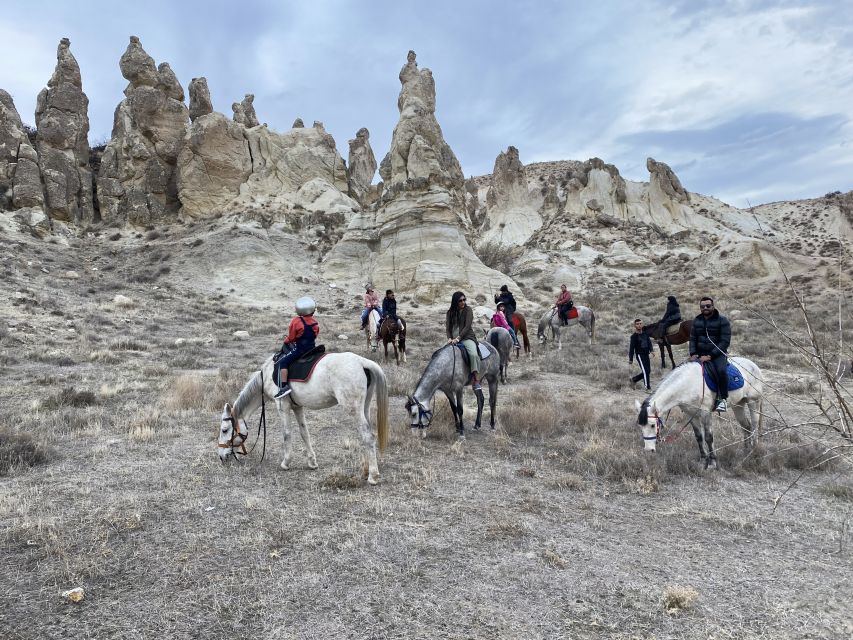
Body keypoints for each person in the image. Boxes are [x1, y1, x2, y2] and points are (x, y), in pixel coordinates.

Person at [689, 296, 731, 412]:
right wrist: (693, 353)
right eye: (702, 306)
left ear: (713, 306)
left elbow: (725, 342)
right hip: (700, 355)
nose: (705, 308)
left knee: (721, 371)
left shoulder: (723, 320)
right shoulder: (697, 321)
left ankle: (723, 399)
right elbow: (693, 339)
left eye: (708, 306)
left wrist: (710, 355)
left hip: (717, 354)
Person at [274, 296, 320, 399]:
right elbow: (315, 334)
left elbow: (291, 338)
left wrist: (286, 341)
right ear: (312, 310)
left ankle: (284, 387)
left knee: (283, 363)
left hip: (301, 349)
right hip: (312, 348)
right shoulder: (315, 322)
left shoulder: (296, 321)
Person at [446, 291, 482, 391]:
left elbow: (467, 326)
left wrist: (458, 338)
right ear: (455, 302)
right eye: (460, 300)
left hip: (466, 337)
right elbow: (448, 328)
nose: (463, 302)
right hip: (452, 339)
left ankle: (476, 380)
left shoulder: (468, 310)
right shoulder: (450, 312)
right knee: (441, 353)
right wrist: (449, 338)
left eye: (464, 300)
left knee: (473, 354)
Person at [629, 318, 653, 390]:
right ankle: (647, 387)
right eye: (637, 324)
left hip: (646, 354)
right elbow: (631, 348)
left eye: (640, 324)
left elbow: (649, 342)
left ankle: (634, 379)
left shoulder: (645, 334)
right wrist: (631, 359)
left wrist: (652, 350)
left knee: (648, 371)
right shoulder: (633, 337)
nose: (639, 325)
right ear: (635, 325)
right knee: (645, 371)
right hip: (640, 355)